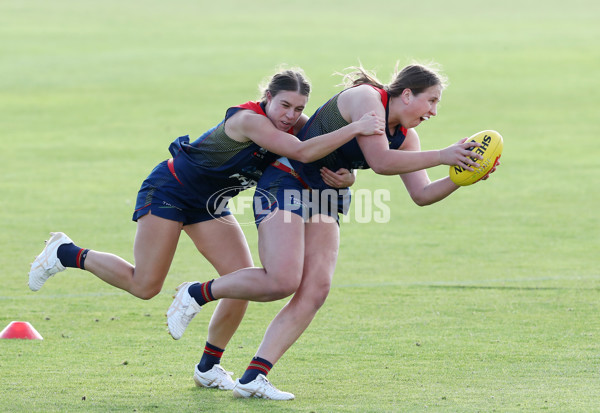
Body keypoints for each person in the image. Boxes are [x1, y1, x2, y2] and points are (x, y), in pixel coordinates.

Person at [28, 68, 386, 391]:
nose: (291, 115)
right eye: (284, 105)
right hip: (171, 190)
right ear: (267, 98)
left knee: (240, 282)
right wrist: (354, 127)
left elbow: (322, 154)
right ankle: (65, 253)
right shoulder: (251, 120)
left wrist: (348, 176)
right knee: (145, 285)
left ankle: (209, 367)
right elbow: (305, 152)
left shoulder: (292, 125)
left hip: (211, 205)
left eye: (298, 108)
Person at [166, 62, 497, 400]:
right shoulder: (368, 98)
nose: (434, 111)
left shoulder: (407, 137)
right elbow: (381, 161)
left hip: (326, 196)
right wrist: (444, 155)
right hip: (286, 181)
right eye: (432, 101)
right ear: (407, 94)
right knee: (282, 280)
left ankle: (254, 377)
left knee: (316, 289)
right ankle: (196, 293)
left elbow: (422, 194)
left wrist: (462, 177)